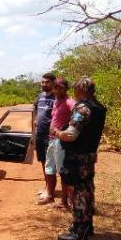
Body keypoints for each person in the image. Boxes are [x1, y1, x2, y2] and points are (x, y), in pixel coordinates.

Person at [53, 77, 107, 240]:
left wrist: (57, 133)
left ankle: (79, 230)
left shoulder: (83, 109)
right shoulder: (99, 107)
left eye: (76, 90)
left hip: (78, 157)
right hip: (90, 155)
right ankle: (87, 225)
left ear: (80, 91)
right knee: (88, 188)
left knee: (79, 191)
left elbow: (70, 135)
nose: (74, 94)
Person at [38, 77, 75, 207]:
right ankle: (50, 196)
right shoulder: (56, 101)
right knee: (49, 169)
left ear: (65, 89)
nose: (57, 90)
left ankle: (64, 201)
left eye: (60, 87)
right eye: (55, 87)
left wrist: (69, 129)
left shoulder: (69, 102)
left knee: (62, 171)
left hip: (61, 141)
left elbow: (78, 114)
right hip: (52, 140)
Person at [33, 73, 56, 198]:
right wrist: (36, 119)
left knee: (50, 163)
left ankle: (50, 191)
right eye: (42, 82)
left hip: (51, 135)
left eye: (47, 82)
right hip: (40, 134)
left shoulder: (56, 97)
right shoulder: (40, 96)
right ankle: (47, 187)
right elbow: (35, 107)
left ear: (53, 83)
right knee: (43, 161)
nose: (43, 84)